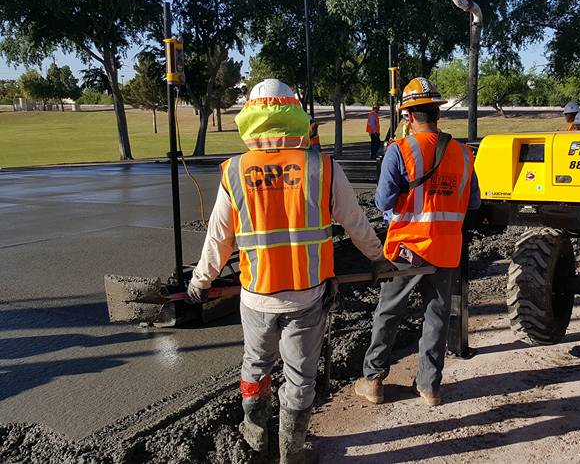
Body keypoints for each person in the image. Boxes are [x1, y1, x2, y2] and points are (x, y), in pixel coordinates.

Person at [186, 79, 392, 464]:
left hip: (257, 298)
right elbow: (355, 221)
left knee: (255, 368)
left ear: (251, 118)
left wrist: (201, 281)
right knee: (299, 377)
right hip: (306, 298)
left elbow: (219, 238)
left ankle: (256, 444)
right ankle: (291, 453)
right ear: (294, 115)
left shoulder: (235, 171)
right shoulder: (321, 167)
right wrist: (377, 258)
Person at [353, 77, 480, 407]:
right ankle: (429, 386)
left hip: (407, 249)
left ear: (408, 117)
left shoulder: (400, 150)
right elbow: (473, 203)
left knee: (389, 312)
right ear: (438, 113)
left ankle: (374, 380)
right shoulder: (464, 154)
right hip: (446, 249)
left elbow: (383, 201)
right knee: (436, 316)